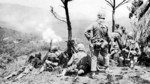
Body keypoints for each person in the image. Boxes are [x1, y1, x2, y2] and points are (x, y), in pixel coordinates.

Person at [84, 10, 110, 78]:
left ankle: (93, 73)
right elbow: (108, 36)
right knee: (106, 56)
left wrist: (90, 39)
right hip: (103, 43)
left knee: (94, 58)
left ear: (98, 16)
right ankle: (107, 70)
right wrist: (108, 42)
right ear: (104, 17)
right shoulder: (106, 25)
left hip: (95, 43)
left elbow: (85, 32)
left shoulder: (94, 24)